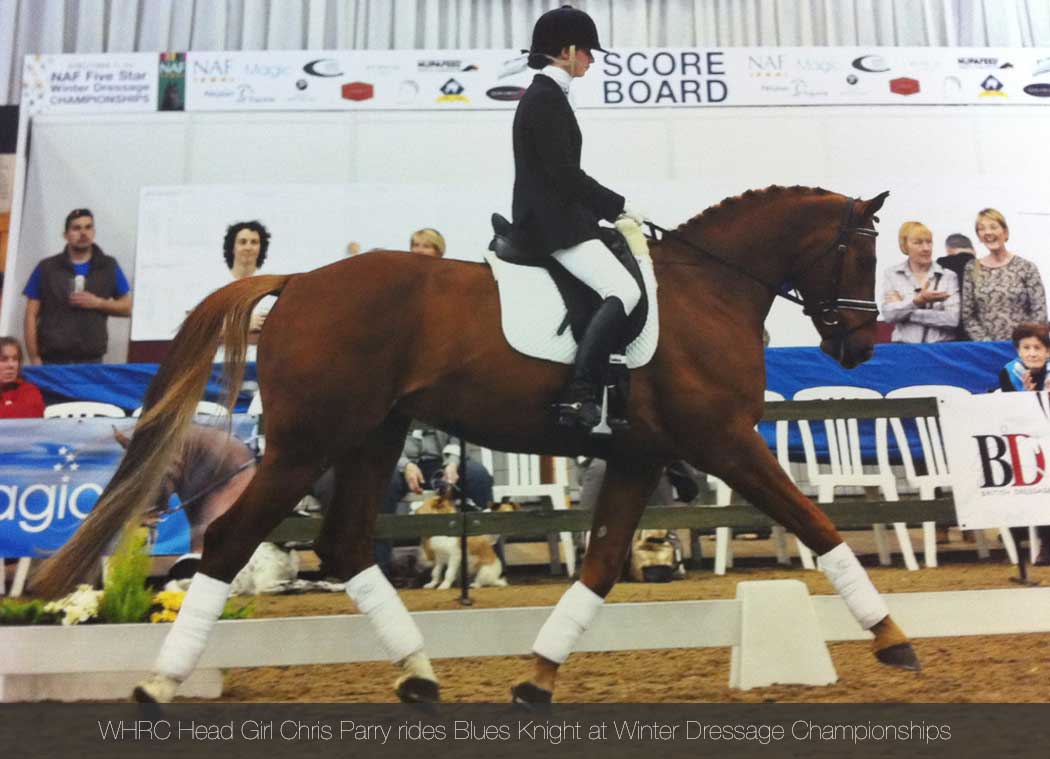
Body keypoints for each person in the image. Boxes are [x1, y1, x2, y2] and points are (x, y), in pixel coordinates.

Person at [511, 5, 644, 431]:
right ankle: (582, 393)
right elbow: (563, 175)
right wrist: (617, 205)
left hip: (561, 217)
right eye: (587, 51)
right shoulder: (545, 99)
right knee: (623, 290)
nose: (591, 58)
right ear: (567, 51)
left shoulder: (549, 96)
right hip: (552, 225)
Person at [22, 208, 132, 364]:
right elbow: (30, 315)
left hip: (91, 360)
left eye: (88, 227)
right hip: (52, 359)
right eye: (76, 228)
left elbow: (127, 307)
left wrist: (98, 303)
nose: (83, 233)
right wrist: (34, 357)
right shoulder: (46, 268)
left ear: (93, 232)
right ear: (66, 235)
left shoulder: (108, 266)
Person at [997, 322, 1050, 565]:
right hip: (1024, 443)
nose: (1032, 353)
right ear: (1018, 351)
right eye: (1026, 347)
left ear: (1047, 351)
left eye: (1038, 347)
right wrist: (1028, 397)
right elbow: (1011, 413)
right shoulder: (1009, 372)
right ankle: (1028, 534)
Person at [961, 209, 1047, 342]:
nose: (988, 232)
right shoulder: (971, 268)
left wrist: (1026, 342)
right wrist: (987, 343)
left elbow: (1039, 312)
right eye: (982, 229)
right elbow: (968, 315)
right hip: (987, 349)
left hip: (1024, 349)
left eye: (993, 227)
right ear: (978, 236)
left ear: (1005, 232)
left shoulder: (1026, 267)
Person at [880, 221, 959, 343]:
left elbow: (953, 320)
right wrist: (916, 301)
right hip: (904, 351)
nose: (926, 248)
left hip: (940, 350)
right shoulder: (892, 274)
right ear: (905, 246)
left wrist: (906, 312)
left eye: (929, 242)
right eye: (918, 243)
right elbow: (889, 316)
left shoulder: (948, 276)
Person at [223, 220, 272, 333]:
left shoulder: (269, 289)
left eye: (254, 242)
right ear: (232, 246)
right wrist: (244, 324)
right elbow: (197, 326)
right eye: (242, 242)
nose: (248, 247)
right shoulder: (213, 284)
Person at [0, 337, 45, 419]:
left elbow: (35, 412)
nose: (11, 365)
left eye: (15, 359)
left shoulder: (28, 389)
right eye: (4, 359)